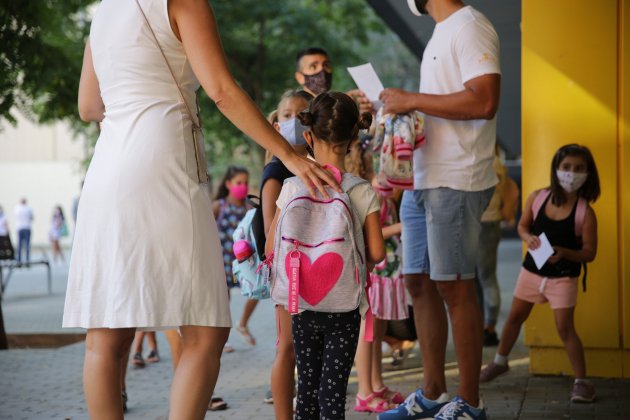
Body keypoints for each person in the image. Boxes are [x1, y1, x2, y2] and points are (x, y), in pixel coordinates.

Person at [63, 0, 340, 418]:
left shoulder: (103, 11)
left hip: (106, 168)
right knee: (205, 331)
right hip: (164, 163)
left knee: (105, 335)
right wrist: (291, 155)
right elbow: (222, 91)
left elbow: (88, 107)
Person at [378, 0, 501, 419]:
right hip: (422, 177)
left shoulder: (470, 25)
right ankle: (433, 393)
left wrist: (411, 99)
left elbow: (484, 101)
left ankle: (470, 402)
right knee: (417, 282)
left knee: (454, 285)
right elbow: (443, 105)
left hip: (457, 177)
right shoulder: (442, 31)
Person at [266, 91, 384, 420]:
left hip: (301, 304)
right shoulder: (361, 190)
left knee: (306, 389)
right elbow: (376, 252)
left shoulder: (291, 187)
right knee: (332, 394)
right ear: (353, 137)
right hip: (345, 309)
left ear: (307, 135)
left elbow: (270, 249)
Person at [480, 144, 600, 403]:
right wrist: (528, 237)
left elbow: (589, 252)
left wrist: (566, 252)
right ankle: (500, 361)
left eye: (579, 169)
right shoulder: (537, 197)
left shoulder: (585, 213)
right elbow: (523, 226)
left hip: (564, 277)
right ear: (556, 169)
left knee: (565, 327)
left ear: (588, 174)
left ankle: (582, 382)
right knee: (514, 317)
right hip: (531, 272)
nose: (571, 173)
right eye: (566, 167)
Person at [264, 90, 311, 418]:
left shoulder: (317, 165)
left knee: (310, 348)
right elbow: (271, 237)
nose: (293, 120)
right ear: (276, 125)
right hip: (289, 274)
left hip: (321, 272)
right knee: (289, 347)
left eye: (302, 113)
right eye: (286, 114)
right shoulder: (277, 172)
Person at [212, 165, 250, 353]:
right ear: (228, 184)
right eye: (238, 183)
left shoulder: (249, 207)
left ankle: (243, 322)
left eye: (245, 183)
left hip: (243, 262)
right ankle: (222, 339)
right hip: (222, 261)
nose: (243, 186)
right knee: (223, 301)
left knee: (256, 289)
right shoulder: (219, 206)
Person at [476, 151, 508, 346]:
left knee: (486, 277)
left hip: (485, 222)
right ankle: (482, 325)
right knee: (478, 278)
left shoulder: (490, 161)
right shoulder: (494, 161)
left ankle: (489, 326)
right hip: (484, 222)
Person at [294, 46, 373, 113]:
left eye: (326, 65)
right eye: (313, 66)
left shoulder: (343, 104)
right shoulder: (294, 109)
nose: (322, 70)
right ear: (300, 77)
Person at [14, 198, 34, 264]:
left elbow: (16, 217)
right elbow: (32, 218)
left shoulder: (17, 208)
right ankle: (27, 260)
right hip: (27, 227)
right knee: (27, 245)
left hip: (20, 228)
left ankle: (19, 260)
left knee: (19, 244)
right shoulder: (29, 208)